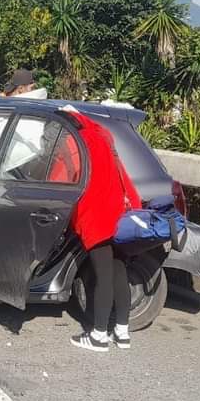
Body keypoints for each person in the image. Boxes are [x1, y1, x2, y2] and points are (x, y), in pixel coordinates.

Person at [63, 110, 141, 352]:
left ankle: (98, 336)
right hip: (119, 213)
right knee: (118, 272)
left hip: (96, 214)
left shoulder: (74, 140)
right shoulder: (104, 135)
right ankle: (122, 332)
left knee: (103, 276)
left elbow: (65, 176)